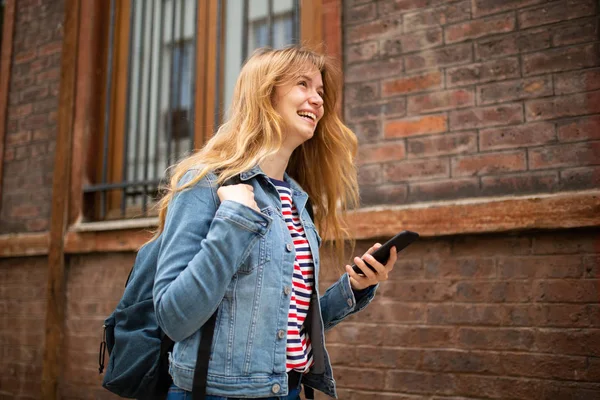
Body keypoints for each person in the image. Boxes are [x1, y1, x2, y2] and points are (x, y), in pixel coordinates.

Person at [152, 46, 398, 400]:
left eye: (321, 92)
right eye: (303, 84)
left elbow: (286, 325)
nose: (317, 100)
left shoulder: (297, 200)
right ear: (265, 94)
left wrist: (354, 289)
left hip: (288, 390)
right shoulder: (206, 183)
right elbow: (174, 318)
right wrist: (235, 220)